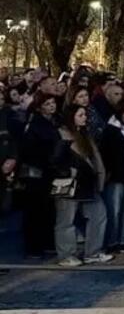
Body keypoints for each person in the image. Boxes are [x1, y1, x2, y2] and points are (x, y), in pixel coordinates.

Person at [52, 104, 113, 266]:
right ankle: (66, 255)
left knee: (99, 216)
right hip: (71, 185)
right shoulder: (62, 134)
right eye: (80, 115)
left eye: (84, 114)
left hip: (88, 183)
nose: (84, 117)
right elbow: (56, 160)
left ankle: (93, 251)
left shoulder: (85, 135)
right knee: (66, 221)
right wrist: (69, 171)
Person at [18, 94, 60, 258]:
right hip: (37, 173)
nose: (52, 106)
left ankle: (47, 242)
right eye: (47, 103)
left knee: (49, 209)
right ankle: (33, 246)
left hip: (50, 170)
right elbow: (29, 150)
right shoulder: (34, 124)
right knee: (35, 211)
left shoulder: (55, 121)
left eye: (53, 103)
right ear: (39, 106)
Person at [100, 99, 124, 253]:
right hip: (116, 174)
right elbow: (106, 152)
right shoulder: (111, 129)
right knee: (114, 209)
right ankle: (112, 241)